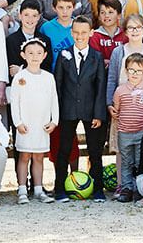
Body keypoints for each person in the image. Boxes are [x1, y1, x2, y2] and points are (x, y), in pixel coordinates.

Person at [52, 14, 107, 202]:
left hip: (90, 110)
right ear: (71, 32)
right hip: (67, 110)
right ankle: (59, 188)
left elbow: (100, 87)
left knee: (95, 150)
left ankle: (98, 189)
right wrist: (56, 113)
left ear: (91, 33)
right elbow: (58, 85)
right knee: (64, 149)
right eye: (76, 32)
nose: (79, 36)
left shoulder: (97, 57)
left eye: (84, 32)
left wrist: (99, 114)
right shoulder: (64, 55)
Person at [8, 37, 59, 205]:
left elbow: (54, 100)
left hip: (42, 124)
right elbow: (14, 102)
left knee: (38, 157)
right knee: (24, 156)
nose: (34, 56)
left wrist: (54, 121)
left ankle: (38, 189)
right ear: (23, 55)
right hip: (26, 124)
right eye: (30, 53)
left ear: (44, 55)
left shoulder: (48, 77)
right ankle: (22, 189)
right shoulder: (20, 77)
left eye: (38, 53)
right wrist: (18, 123)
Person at [111, 52, 143, 203]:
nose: (135, 74)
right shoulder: (120, 90)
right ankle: (126, 188)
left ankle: (139, 188)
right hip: (124, 132)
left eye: (139, 71)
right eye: (131, 70)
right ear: (126, 71)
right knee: (126, 161)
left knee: (139, 161)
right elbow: (117, 110)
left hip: (142, 133)